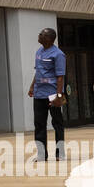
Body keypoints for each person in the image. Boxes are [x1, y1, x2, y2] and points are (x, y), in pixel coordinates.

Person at [27, 27, 66, 160]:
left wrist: (59, 96)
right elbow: (38, 71)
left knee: (57, 124)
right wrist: (32, 87)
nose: (39, 36)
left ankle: (60, 154)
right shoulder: (39, 51)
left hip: (52, 94)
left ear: (49, 38)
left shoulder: (58, 54)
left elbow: (60, 76)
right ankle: (41, 155)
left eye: (41, 34)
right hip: (39, 94)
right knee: (39, 125)